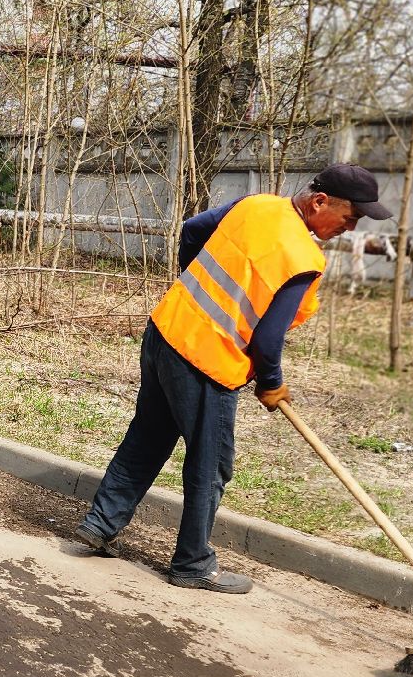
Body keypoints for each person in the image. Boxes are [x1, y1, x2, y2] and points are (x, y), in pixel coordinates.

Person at [73, 164, 393, 593]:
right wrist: (271, 382)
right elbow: (268, 339)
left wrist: (194, 289)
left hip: (167, 329)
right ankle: (192, 564)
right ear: (320, 202)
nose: (349, 228)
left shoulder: (256, 204)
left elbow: (191, 230)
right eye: (349, 218)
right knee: (211, 465)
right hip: (207, 362)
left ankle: (100, 523)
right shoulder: (302, 257)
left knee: (148, 436)